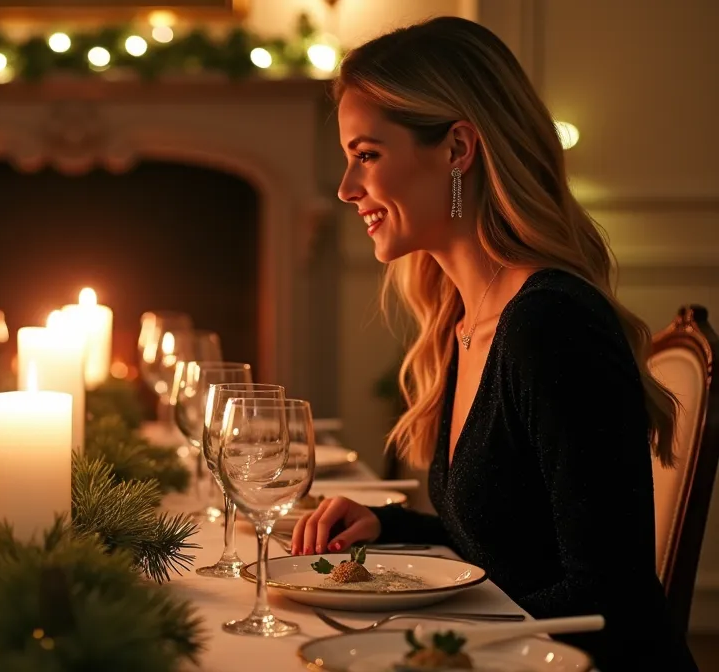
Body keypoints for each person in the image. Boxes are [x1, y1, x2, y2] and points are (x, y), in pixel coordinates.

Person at [291, 16, 696, 671]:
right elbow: (512, 548)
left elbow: (609, 602)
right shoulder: (467, 316)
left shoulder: (551, 327)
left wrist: (409, 640)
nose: (346, 189)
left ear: (457, 150)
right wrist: (391, 527)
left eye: (366, 155)